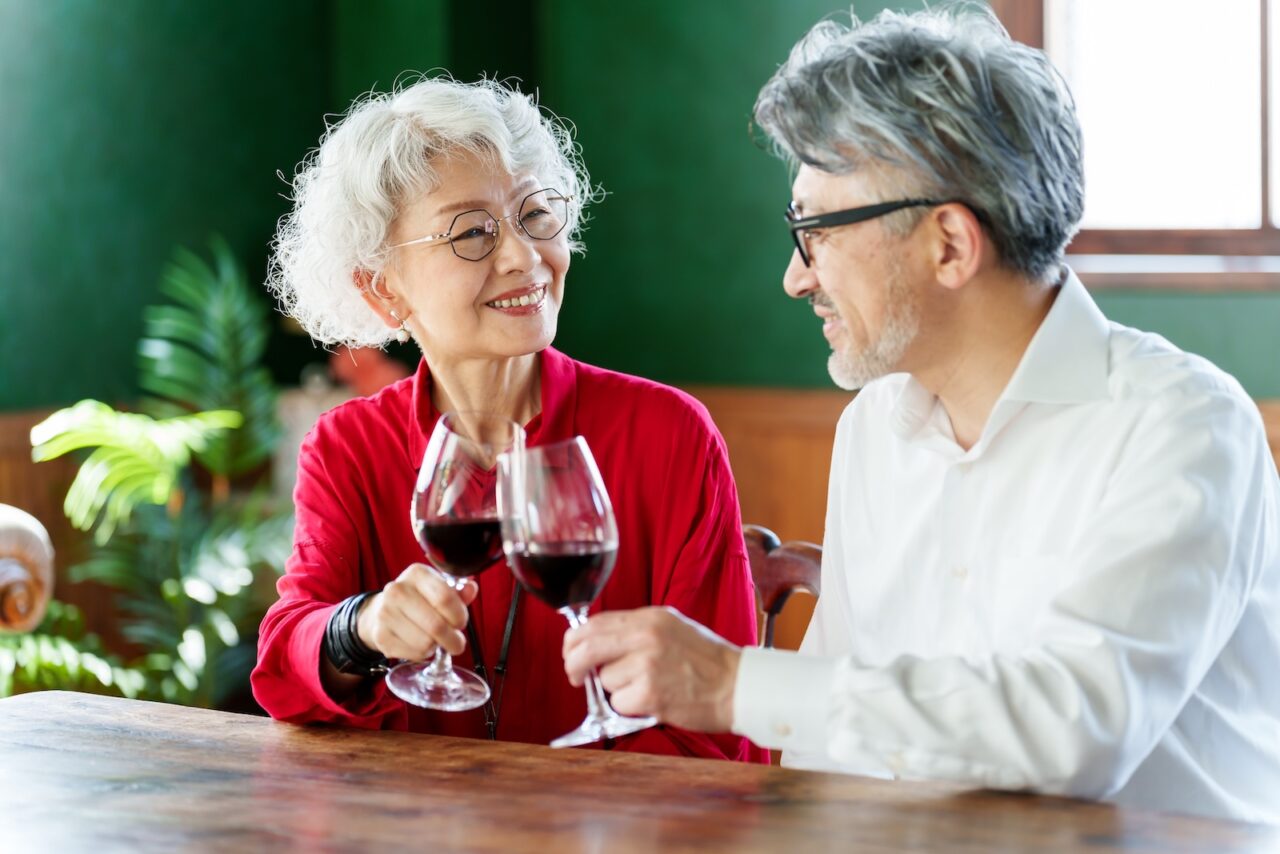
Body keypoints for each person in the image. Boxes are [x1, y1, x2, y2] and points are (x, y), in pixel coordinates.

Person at [562, 5, 1280, 822]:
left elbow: (1076, 731)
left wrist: (731, 684)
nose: (796, 278)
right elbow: (825, 755)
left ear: (949, 245)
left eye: (815, 231)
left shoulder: (1183, 426)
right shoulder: (874, 426)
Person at [251, 76, 766, 764]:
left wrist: (552, 814)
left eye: (536, 215)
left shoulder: (668, 434)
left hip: (616, 819)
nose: (524, 257)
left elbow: (719, 727)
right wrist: (361, 627)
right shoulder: (349, 446)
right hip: (415, 818)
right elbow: (288, 663)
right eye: (472, 232)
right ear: (382, 288)